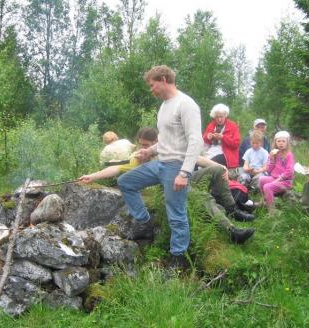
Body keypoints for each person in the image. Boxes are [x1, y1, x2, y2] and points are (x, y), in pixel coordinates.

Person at [117, 65, 203, 270]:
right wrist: (150, 151)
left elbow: (196, 141)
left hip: (176, 167)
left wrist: (185, 172)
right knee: (125, 182)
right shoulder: (165, 106)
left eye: (152, 85)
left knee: (176, 213)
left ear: (164, 80)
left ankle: (178, 257)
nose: (151, 89)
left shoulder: (186, 104)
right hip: (161, 163)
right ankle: (144, 221)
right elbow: (166, 139)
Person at [192, 158, 255, 244]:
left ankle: (232, 210)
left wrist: (222, 167)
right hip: (172, 180)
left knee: (219, 169)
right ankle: (231, 231)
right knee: (204, 197)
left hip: (188, 175)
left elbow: (197, 157)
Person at [80, 128, 158, 183]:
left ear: (155, 143)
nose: (142, 148)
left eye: (145, 145)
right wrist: (92, 176)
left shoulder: (165, 156)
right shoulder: (137, 157)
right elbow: (116, 168)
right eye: (140, 144)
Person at [257, 131, 295, 215]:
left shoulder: (289, 155)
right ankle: (264, 200)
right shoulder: (275, 153)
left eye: (283, 141)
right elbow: (269, 170)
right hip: (274, 178)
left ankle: (272, 210)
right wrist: (272, 159)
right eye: (279, 141)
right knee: (261, 179)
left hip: (285, 182)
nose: (281, 143)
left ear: (287, 142)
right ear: (275, 142)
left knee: (267, 187)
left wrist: (278, 179)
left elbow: (290, 171)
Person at [203, 104, 241, 169]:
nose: (219, 119)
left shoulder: (233, 126)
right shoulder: (211, 125)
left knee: (210, 163)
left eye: (221, 117)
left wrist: (223, 138)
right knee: (198, 163)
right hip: (211, 151)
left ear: (225, 116)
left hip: (226, 154)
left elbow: (236, 144)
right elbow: (204, 139)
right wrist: (207, 137)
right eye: (217, 117)